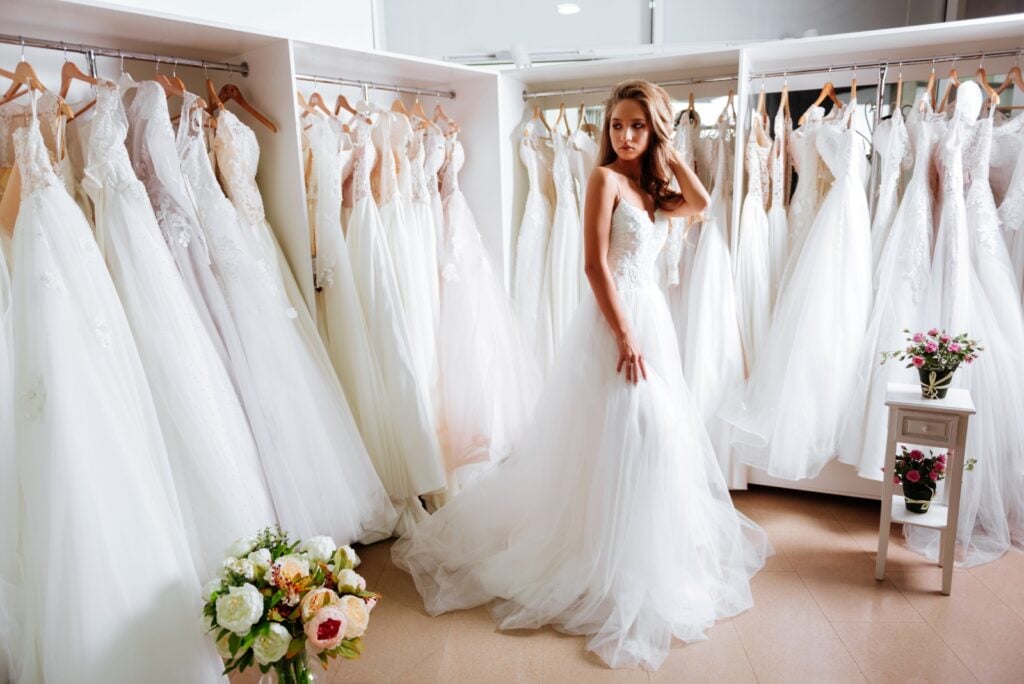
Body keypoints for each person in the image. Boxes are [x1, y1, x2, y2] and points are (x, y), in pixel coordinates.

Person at [392, 80, 770, 671]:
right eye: (617, 125)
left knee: (648, 438)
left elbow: (700, 204)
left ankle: (633, 551)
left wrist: (666, 156)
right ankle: (601, 556)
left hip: (651, 325)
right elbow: (594, 265)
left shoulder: (650, 190)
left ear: (654, 131)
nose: (624, 136)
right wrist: (623, 335)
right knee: (631, 428)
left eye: (637, 126)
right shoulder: (604, 181)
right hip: (616, 325)